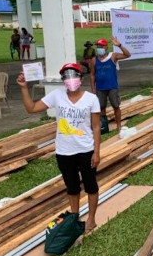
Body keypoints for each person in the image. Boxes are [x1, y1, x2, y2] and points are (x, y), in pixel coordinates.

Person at [17, 63, 101, 233]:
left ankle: (91, 219)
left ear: (81, 79)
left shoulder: (92, 99)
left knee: (91, 185)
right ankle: (74, 218)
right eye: (67, 77)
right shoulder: (56, 95)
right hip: (64, 151)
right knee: (72, 187)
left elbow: (96, 126)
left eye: (74, 76)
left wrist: (97, 152)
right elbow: (31, 108)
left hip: (86, 150)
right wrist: (24, 88)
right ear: (63, 81)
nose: (71, 80)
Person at [90, 36, 131, 132]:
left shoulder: (113, 56)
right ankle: (104, 126)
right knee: (101, 107)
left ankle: (119, 125)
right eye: (98, 47)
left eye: (101, 46)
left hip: (112, 86)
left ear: (106, 47)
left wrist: (119, 45)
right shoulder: (94, 60)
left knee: (116, 106)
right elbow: (92, 75)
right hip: (100, 88)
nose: (99, 48)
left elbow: (128, 55)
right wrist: (93, 89)